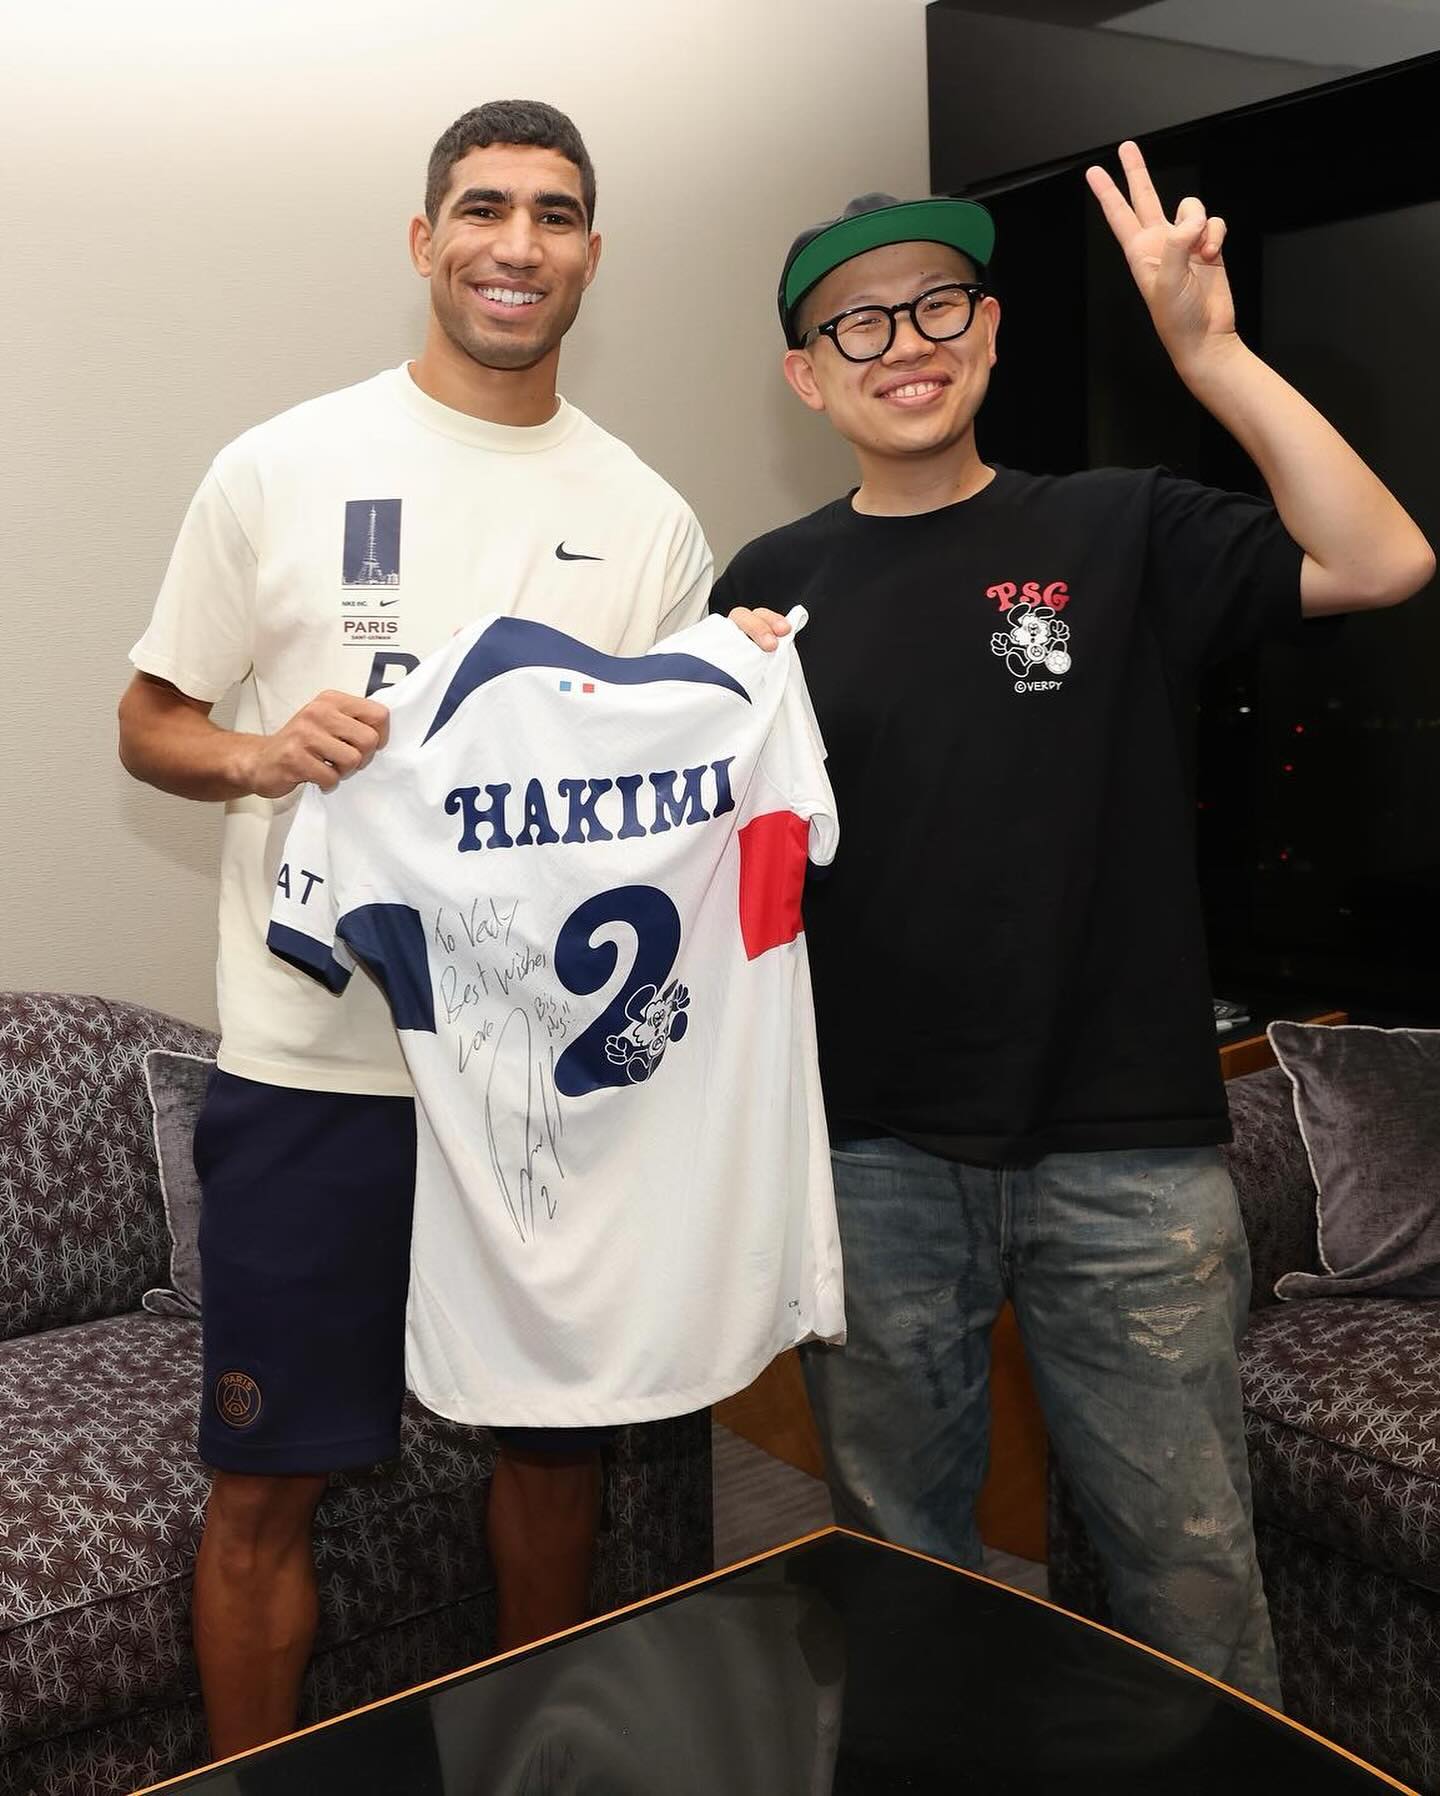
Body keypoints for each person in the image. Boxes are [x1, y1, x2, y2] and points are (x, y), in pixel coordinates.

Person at [714, 143, 1433, 1704]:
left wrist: (1212, 353)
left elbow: (1384, 559)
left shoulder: (1119, 529)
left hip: (1129, 1152)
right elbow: (716, 873)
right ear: (806, 377)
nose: (905, 340)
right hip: (874, 1151)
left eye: (938, 305)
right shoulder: (769, 585)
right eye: (860, 323)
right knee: (898, 1559)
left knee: (1189, 1573)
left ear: (988, 335)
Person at [118, 99, 761, 1759]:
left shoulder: (651, 518)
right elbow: (145, 720)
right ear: (425, 241)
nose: (518, 245)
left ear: (591, 259)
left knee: (553, 1458)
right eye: (485, 209)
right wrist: (260, 754)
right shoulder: (280, 465)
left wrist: (743, 674)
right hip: (310, 1068)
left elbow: (681, 787)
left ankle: (541, 1767)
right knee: (267, 1484)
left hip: (537, 1087)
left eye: (555, 216)